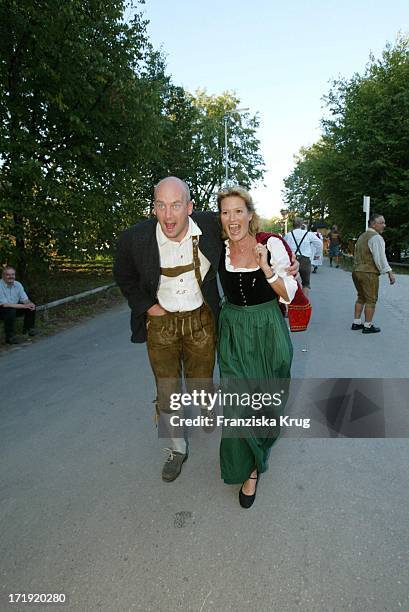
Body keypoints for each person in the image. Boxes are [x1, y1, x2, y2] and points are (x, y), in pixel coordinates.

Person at [113, 176, 299, 484]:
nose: (168, 215)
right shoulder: (136, 238)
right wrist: (148, 307)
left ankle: (206, 404)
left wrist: (283, 261)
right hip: (161, 322)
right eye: (160, 206)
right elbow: (123, 273)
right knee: (167, 391)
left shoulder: (211, 226)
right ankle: (176, 449)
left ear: (190, 207)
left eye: (175, 205)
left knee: (202, 384)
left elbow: (244, 225)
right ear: (154, 208)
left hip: (201, 318)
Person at [217, 186, 297, 508]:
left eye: (239, 211)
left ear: (250, 215)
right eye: (226, 212)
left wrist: (267, 268)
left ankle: (256, 457)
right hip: (234, 331)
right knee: (237, 403)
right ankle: (246, 469)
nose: (232, 218)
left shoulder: (271, 245)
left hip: (267, 330)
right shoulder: (217, 248)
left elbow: (288, 294)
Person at [351, 213, 395, 334]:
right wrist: (389, 272)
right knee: (371, 300)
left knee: (361, 297)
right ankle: (368, 326)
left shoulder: (362, 236)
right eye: (381, 223)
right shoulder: (376, 238)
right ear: (373, 224)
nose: (384, 225)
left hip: (356, 271)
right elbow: (380, 258)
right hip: (368, 272)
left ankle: (356, 322)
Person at [284, 217, 322, 296]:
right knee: (306, 284)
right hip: (305, 260)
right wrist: (317, 255)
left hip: (292, 260)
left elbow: (283, 247)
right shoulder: (308, 234)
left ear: (293, 225)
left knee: (291, 282)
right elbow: (319, 243)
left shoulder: (288, 235)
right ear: (302, 225)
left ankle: (293, 303)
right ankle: (304, 304)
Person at [0, 266, 37, 344]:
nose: (11, 277)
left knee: (31, 307)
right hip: (2, 310)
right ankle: (10, 337)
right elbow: (5, 305)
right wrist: (24, 306)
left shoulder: (18, 284)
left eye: (13, 274)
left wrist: (29, 303)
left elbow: (24, 299)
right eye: (8, 275)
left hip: (13, 308)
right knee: (10, 311)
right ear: (3, 276)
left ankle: (28, 329)